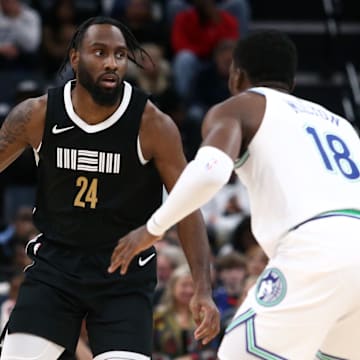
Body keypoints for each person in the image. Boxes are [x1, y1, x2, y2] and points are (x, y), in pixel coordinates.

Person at [110, 30, 360, 359]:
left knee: (237, 354)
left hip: (316, 247)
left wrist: (152, 229)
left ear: (236, 75)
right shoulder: (341, 125)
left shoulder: (240, 107)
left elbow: (211, 171)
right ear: (292, 82)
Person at [0, 16, 219, 360]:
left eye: (119, 55)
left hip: (124, 276)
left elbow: (187, 206)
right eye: (99, 52)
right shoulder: (37, 114)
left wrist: (203, 290)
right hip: (55, 269)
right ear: (75, 58)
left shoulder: (153, 124)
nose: (111, 63)